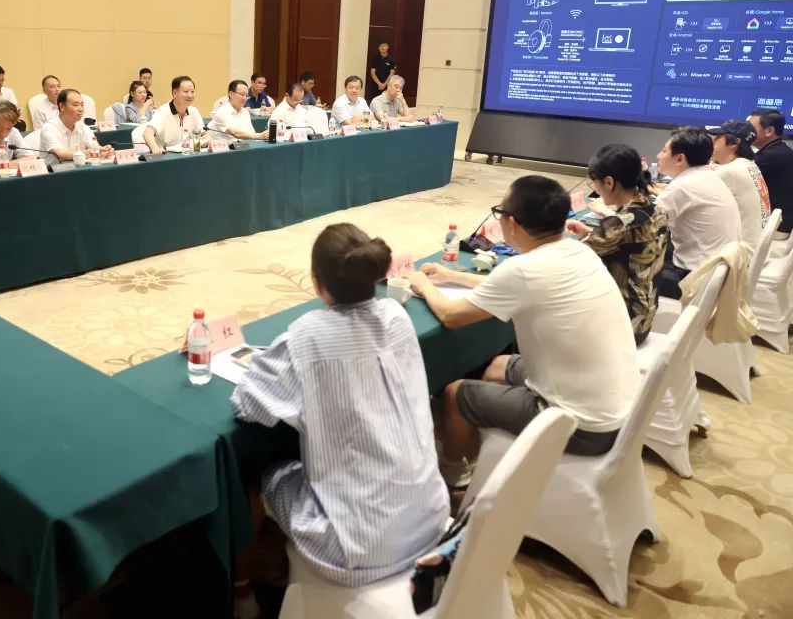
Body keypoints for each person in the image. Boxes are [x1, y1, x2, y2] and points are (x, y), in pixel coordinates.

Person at [232, 222, 450, 589]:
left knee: (258, 476)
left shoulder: (305, 335)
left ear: (317, 283)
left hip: (355, 551)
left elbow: (248, 406)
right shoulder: (396, 315)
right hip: (432, 519)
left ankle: (243, 594)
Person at [408, 176, 639, 485]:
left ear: (512, 223)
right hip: (621, 410)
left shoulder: (523, 270)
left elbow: (451, 316)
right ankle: (480, 443)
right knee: (497, 366)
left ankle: (452, 473)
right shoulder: (577, 251)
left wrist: (422, 285)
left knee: (454, 393)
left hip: (581, 427)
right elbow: (514, 288)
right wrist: (453, 276)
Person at [565, 144, 669, 344]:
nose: (595, 188)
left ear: (609, 182)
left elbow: (573, 261)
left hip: (622, 327)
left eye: (594, 182)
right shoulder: (657, 211)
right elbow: (627, 244)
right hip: (644, 318)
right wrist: (589, 234)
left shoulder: (620, 224)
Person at [653, 127, 740, 299]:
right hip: (716, 272)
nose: (658, 155)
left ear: (680, 158)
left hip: (692, 278)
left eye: (663, 151)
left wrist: (605, 210)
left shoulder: (682, 187)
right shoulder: (708, 176)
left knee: (620, 265)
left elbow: (642, 228)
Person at [707, 120, 771, 249]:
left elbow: (690, 194)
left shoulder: (728, 171)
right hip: (755, 248)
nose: (713, 141)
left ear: (734, 144)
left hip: (739, 254)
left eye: (718, 137)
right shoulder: (749, 164)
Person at [748, 109, 792, 240]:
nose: (746, 132)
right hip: (781, 223)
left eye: (750, 128)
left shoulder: (769, 157)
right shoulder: (781, 150)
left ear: (769, 131)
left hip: (774, 228)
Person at [41, 89, 113, 161]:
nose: (80, 109)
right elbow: (63, 155)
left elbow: (94, 146)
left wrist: (102, 150)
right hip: (55, 167)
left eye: (82, 105)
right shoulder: (49, 129)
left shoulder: (82, 126)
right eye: (75, 105)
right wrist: (87, 153)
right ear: (62, 106)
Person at [141, 76, 204, 154]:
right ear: (175, 93)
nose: (190, 95)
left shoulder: (194, 111)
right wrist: (155, 148)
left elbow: (204, 134)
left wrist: (210, 140)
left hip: (187, 154)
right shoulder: (163, 111)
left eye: (192, 92)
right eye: (186, 91)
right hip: (167, 156)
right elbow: (147, 133)